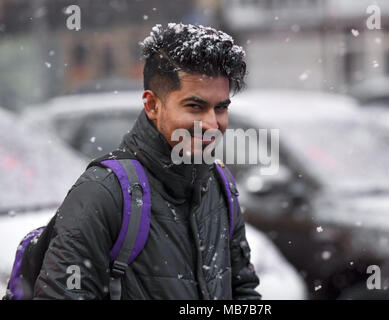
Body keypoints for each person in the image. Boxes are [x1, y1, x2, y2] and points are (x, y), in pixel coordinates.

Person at [32, 23, 261, 300]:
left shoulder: (219, 185)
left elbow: (243, 292)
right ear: (152, 105)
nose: (212, 124)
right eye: (195, 107)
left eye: (221, 108)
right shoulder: (102, 193)